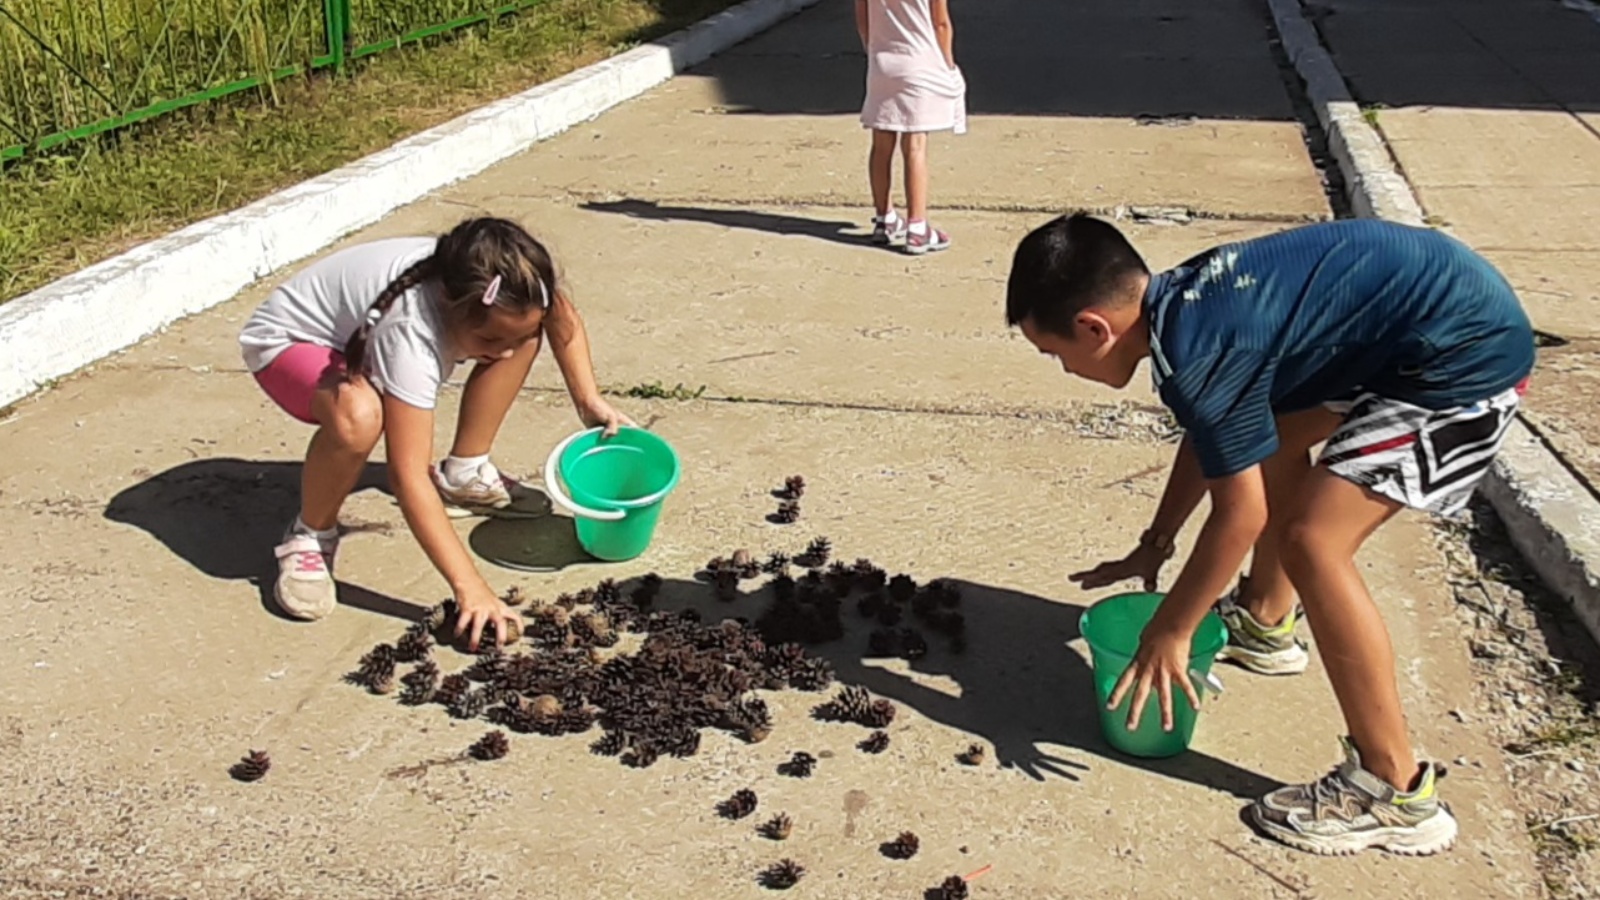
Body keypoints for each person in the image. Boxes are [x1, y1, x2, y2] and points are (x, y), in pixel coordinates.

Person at [1004, 213, 1534, 856]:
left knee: (1315, 543)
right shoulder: (1183, 308)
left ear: (1094, 327)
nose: (1062, 369)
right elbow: (1217, 440)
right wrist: (1157, 541)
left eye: (1055, 354)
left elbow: (1242, 516)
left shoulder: (1202, 353)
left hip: (1460, 364)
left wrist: (1170, 631)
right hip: (1404, 333)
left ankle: (1394, 789)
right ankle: (1263, 618)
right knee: (1266, 436)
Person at [238, 216, 632, 649]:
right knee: (359, 416)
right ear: (451, 303)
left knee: (521, 335)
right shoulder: (412, 333)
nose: (502, 351)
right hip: (289, 343)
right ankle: (309, 535)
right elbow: (407, 477)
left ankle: (465, 471)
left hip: (365, 334)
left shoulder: (510, 286)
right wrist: (472, 590)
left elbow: (559, 317)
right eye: (488, 337)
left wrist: (587, 399)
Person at [856, 0, 966, 255]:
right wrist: (947, 65)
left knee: (881, 145)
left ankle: (884, 219)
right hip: (921, 62)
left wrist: (874, 51)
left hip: (882, 63)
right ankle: (917, 227)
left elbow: (863, 20)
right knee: (915, 146)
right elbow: (941, 24)